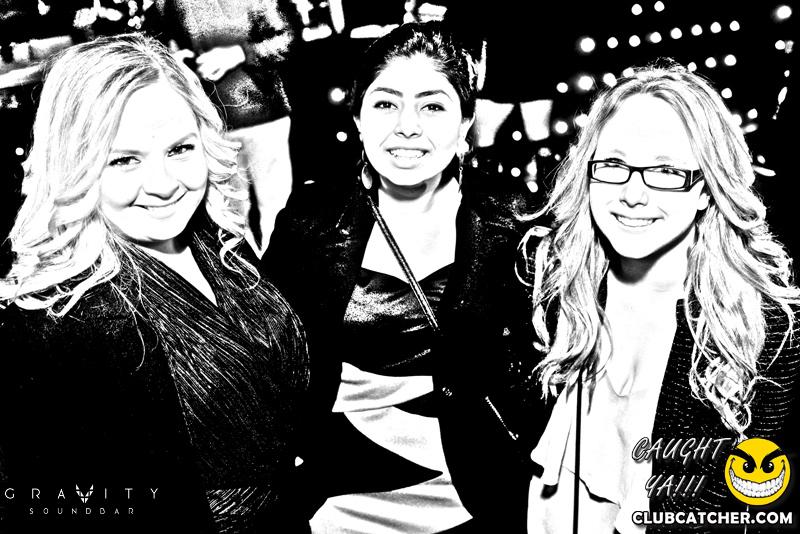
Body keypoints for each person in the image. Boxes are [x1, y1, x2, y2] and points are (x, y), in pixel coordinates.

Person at [0, 33, 308, 533]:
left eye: (180, 149)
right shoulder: (54, 325)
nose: (164, 185)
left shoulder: (220, 243)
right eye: (124, 159)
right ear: (74, 164)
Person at [262, 21, 539, 534]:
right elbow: (269, 363)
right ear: (358, 118)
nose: (407, 126)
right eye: (386, 104)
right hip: (334, 503)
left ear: (466, 122)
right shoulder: (309, 220)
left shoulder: (514, 222)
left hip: (473, 499)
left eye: (432, 107)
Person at [521, 60, 800, 533]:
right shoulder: (556, 284)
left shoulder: (758, 330)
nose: (633, 194)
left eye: (666, 170)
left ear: (707, 189)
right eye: (614, 165)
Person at [144, 0, 301, 255]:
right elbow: (151, 45)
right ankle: (251, 275)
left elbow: (287, 39)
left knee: (275, 209)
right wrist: (171, 61)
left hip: (263, 118)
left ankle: (278, 272)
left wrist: (240, 53)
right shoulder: (168, 4)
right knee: (231, 215)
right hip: (213, 124)